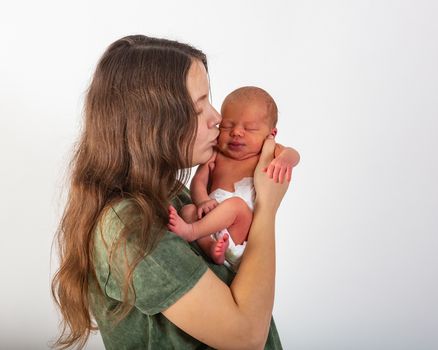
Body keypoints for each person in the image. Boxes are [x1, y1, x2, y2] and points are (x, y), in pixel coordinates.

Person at [51, 35, 288, 349]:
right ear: (151, 124)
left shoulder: (170, 193)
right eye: (198, 107)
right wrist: (267, 208)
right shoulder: (131, 226)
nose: (217, 118)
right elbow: (245, 337)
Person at [168, 86, 300, 270]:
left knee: (236, 206)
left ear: (271, 134)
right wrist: (203, 201)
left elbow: (293, 154)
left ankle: (191, 232)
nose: (236, 132)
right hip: (211, 225)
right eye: (227, 125)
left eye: (250, 128)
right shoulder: (215, 154)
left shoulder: (267, 151)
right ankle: (211, 248)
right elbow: (198, 182)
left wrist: (286, 159)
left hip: (240, 230)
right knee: (188, 210)